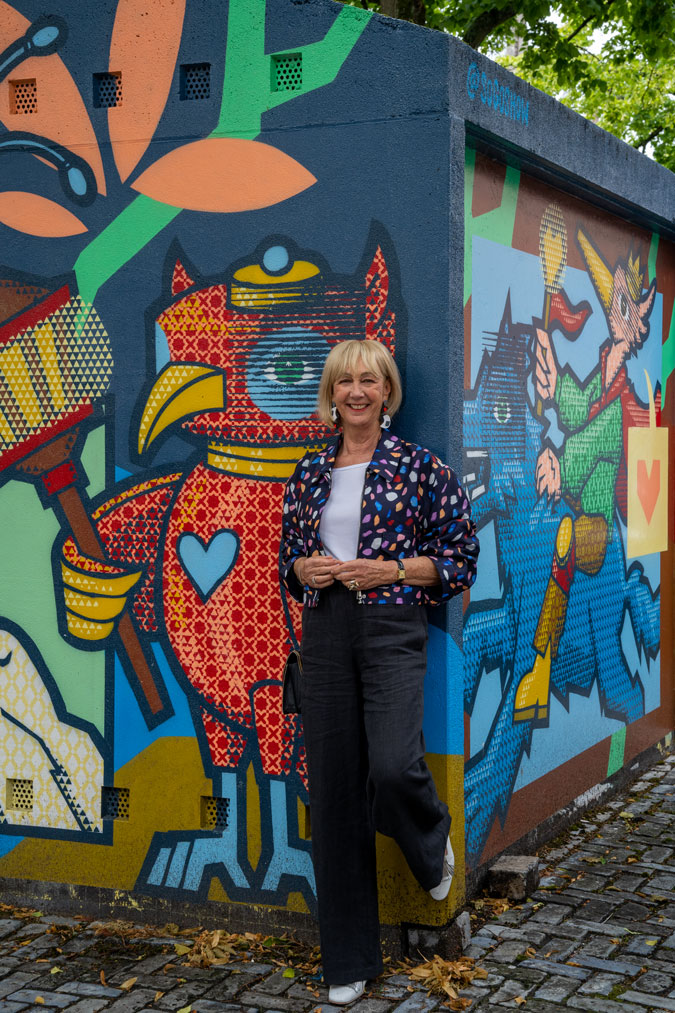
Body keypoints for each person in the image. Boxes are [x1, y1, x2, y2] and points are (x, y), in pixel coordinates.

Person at [279, 339, 479, 1005]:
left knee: (393, 765)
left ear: (387, 393)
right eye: (344, 381)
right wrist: (302, 569)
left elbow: (459, 556)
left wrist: (391, 569)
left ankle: (428, 843)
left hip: (392, 624)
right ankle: (348, 959)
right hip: (327, 630)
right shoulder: (308, 472)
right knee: (334, 792)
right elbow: (289, 556)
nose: (356, 391)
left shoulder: (420, 469)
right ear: (331, 395)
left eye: (369, 380)